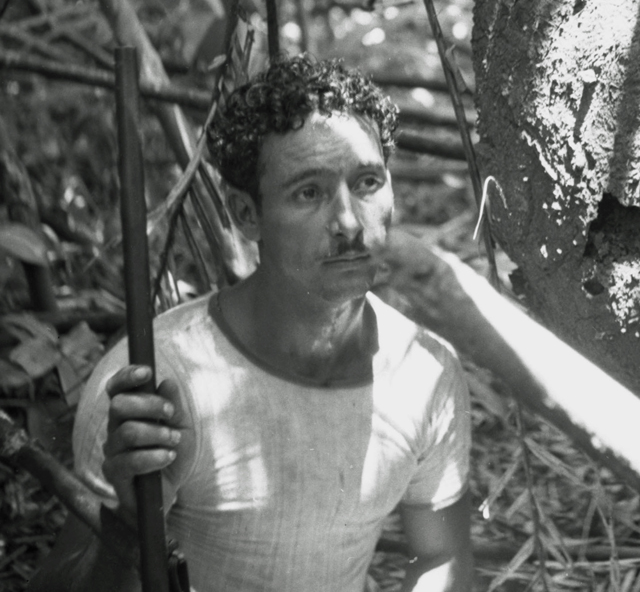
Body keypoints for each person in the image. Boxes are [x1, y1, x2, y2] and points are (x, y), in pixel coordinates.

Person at [30, 55, 473, 592]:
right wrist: (130, 515)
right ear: (245, 215)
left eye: (366, 182)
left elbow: (440, 556)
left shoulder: (425, 374)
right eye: (308, 192)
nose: (349, 223)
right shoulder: (159, 382)